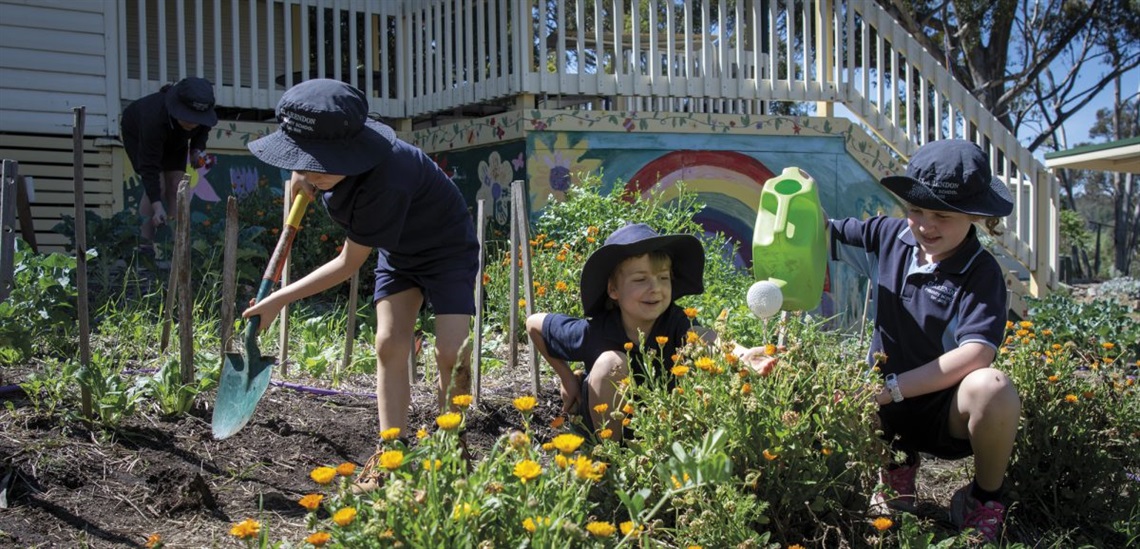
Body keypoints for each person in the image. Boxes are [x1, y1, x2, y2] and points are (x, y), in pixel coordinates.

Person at [243, 79, 479, 437]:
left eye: (317, 164)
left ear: (351, 151)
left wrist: (278, 300)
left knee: (452, 355)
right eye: (302, 161)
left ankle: (453, 451)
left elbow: (347, 264)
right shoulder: (322, 165)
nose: (309, 172)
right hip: (399, 251)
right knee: (388, 344)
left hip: (447, 250)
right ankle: (392, 453)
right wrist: (301, 173)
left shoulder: (387, 181)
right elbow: (305, 162)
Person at [828, 139, 1020, 543]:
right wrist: (799, 199)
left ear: (975, 216)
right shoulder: (887, 236)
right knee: (839, 390)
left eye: (942, 215)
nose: (925, 225)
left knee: (993, 386)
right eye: (916, 210)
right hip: (885, 409)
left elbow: (976, 353)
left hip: (945, 410)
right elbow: (821, 235)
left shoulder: (980, 272)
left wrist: (892, 390)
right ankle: (897, 473)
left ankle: (984, 498)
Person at [526, 223, 777, 442]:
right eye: (640, 279)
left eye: (663, 278)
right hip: (604, 427)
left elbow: (706, 337)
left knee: (698, 355)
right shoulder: (596, 330)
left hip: (661, 428)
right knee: (610, 363)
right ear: (613, 289)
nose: (655, 288)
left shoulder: (675, 322)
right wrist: (567, 379)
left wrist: (742, 355)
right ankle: (609, 468)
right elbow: (534, 324)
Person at [120, 77, 217, 252]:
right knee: (159, 184)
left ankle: (178, 247)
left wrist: (196, 150)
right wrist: (158, 207)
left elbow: (202, 132)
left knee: (177, 185)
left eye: (196, 118)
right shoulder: (152, 119)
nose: (192, 122)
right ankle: (144, 246)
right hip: (139, 133)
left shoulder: (200, 116)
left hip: (175, 138)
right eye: (187, 117)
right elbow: (149, 168)